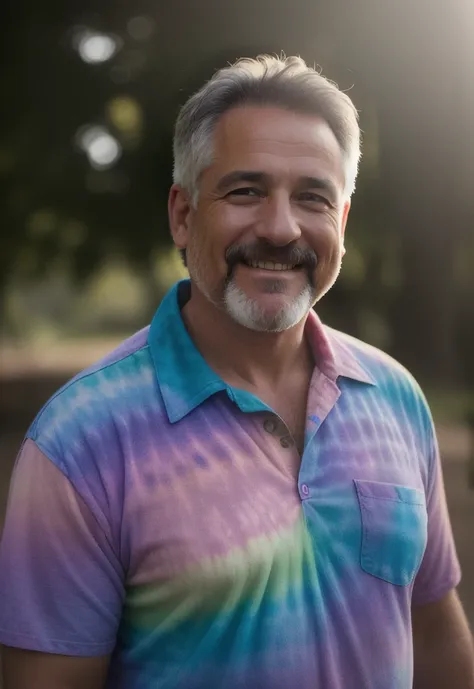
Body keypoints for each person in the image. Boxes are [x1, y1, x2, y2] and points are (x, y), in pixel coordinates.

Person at [0, 55, 473, 689]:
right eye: (245, 191)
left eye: (312, 197)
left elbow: (436, 639)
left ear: (342, 222)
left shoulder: (398, 399)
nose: (281, 228)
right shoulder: (80, 440)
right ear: (183, 214)